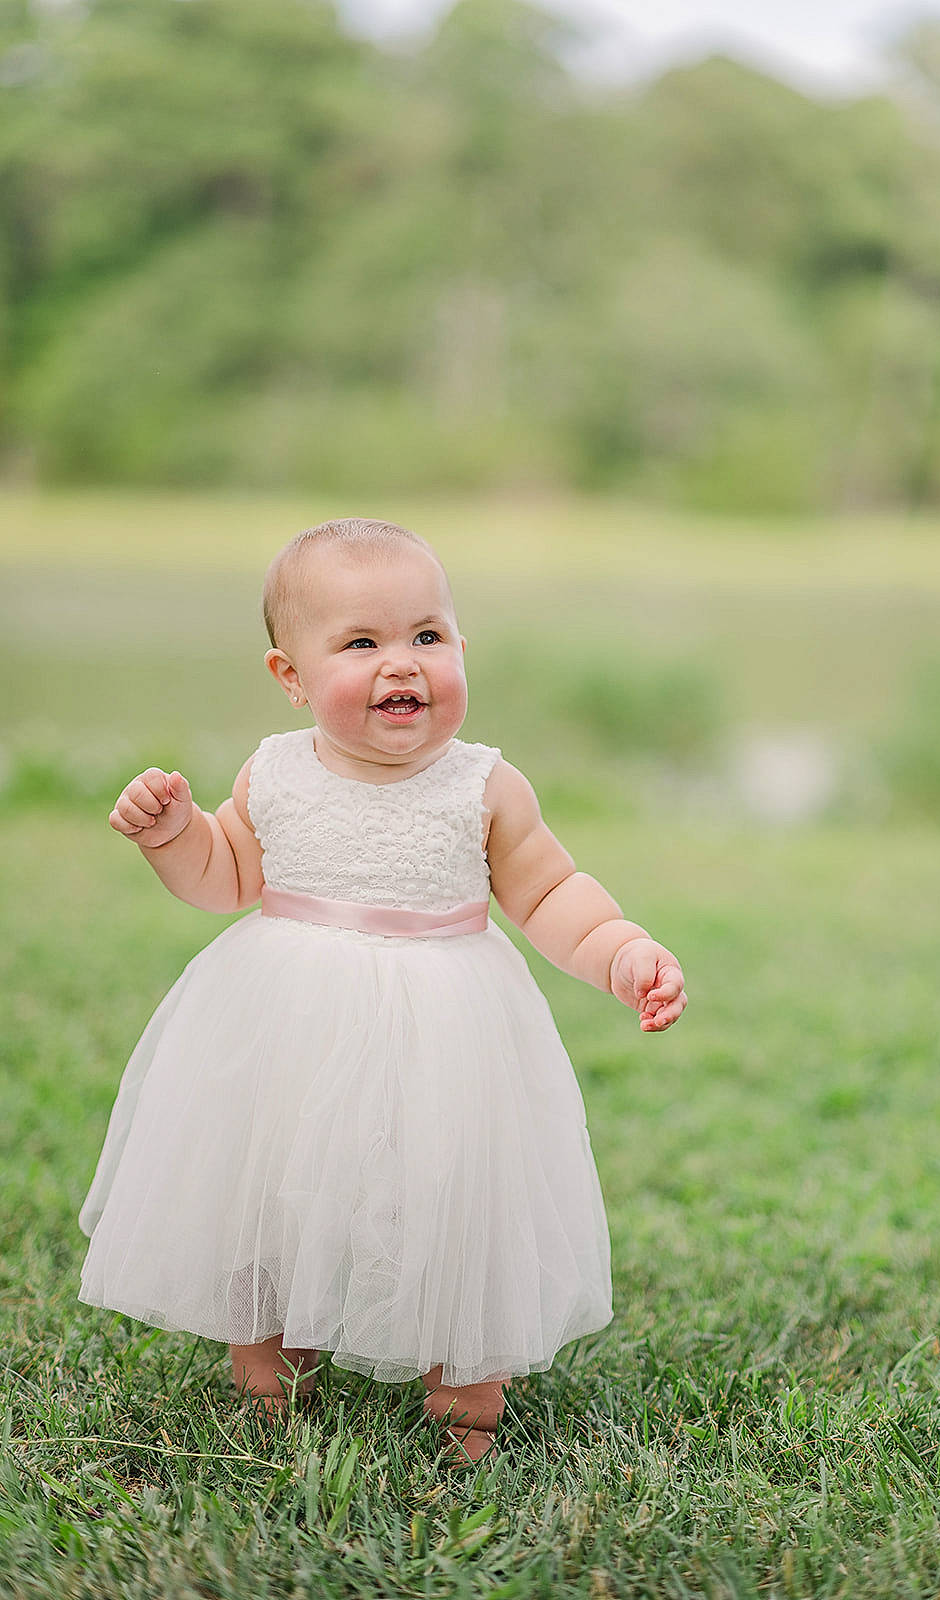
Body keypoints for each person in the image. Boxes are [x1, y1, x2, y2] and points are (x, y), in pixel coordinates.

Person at [78, 517, 687, 1468]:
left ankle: (467, 1394)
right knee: (273, 1189)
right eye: (362, 643)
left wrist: (620, 950)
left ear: (458, 647)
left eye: (427, 637)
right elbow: (226, 877)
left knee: (446, 1196)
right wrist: (174, 836)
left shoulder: (484, 784)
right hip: (284, 1024)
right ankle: (271, 1375)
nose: (401, 665)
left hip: (446, 1031)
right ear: (290, 675)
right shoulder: (273, 771)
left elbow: (551, 891)